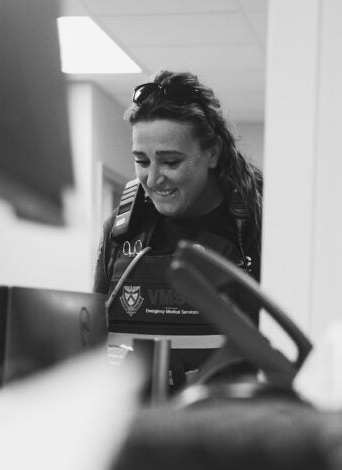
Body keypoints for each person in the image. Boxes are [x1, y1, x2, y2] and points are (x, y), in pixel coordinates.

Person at [93, 70, 262, 386]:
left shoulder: (256, 226)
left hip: (230, 420)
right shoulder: (120, 232)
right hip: (140, 420)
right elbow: (92, 340)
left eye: (170, 162)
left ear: (211, 154)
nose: (154, 179)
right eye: (142, 161)